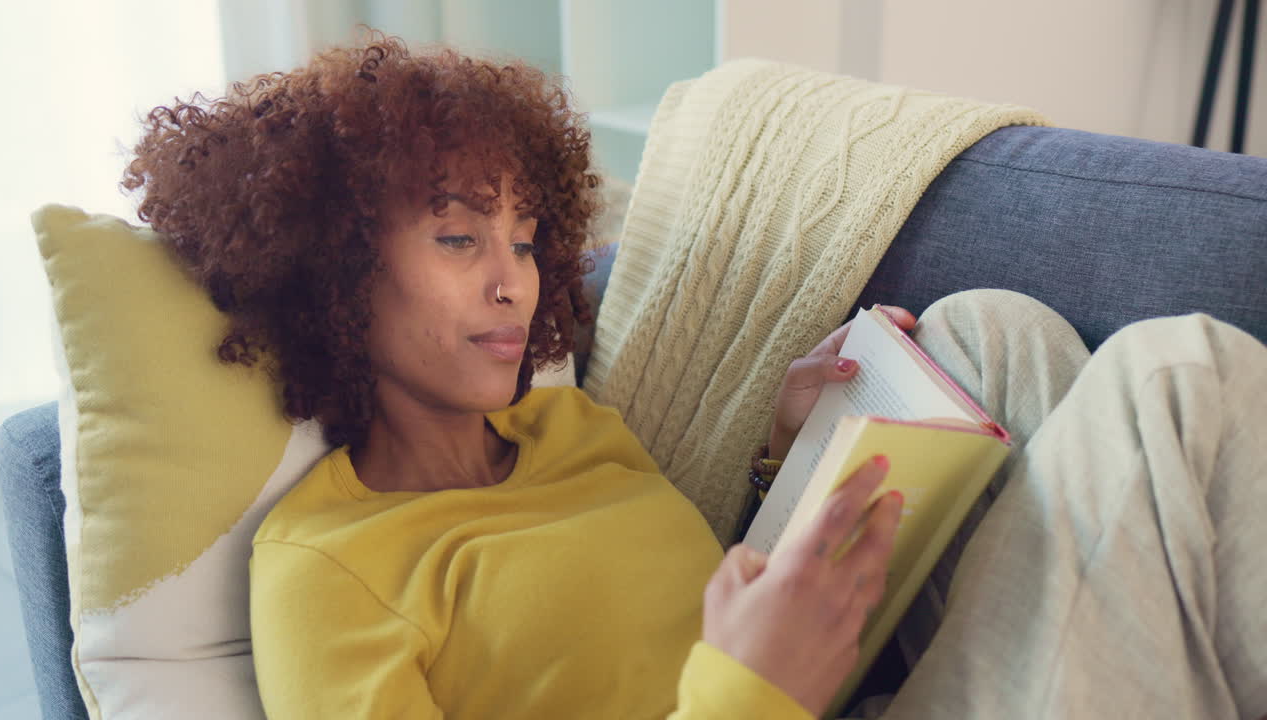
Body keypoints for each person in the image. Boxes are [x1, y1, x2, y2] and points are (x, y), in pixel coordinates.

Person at [122, 33, 1266, 720]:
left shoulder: (571, 433)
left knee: (984, 335)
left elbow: (676, 599)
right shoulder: (329, 570)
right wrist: (745, 693)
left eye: (526, 238)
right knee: (1173, 374)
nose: (514, 283)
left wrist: (790, 448)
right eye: (461, 239)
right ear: (332, 266)